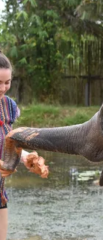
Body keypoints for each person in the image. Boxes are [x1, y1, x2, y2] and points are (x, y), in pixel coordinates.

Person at [0, 51, 29, 240]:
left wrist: (26, 156)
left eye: (7, 82)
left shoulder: (9, 106)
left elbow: (8, 141)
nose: (3, 88)